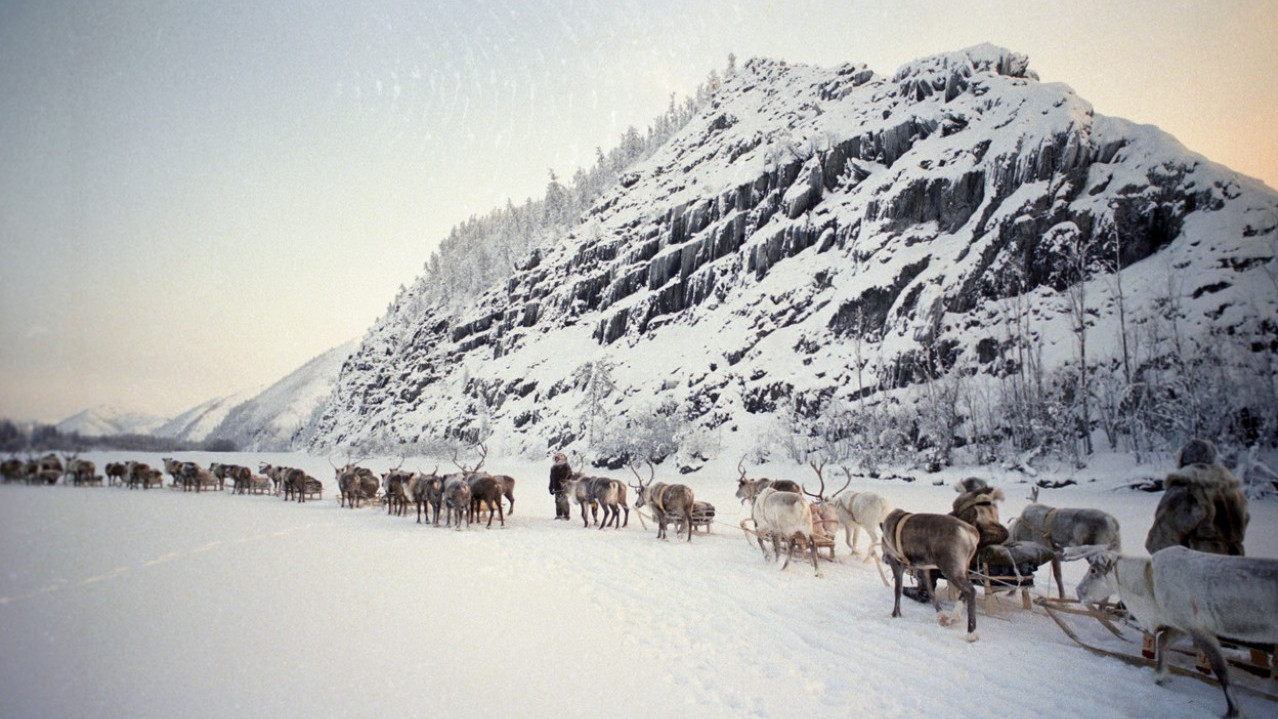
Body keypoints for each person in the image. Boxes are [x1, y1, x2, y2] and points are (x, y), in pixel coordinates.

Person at [1146, 439, 1249, 556]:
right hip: (1233, 567)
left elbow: (1161, 541)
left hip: (1195, 567)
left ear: (1182, 460)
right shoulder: (1234, 492)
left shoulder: (1185, 489)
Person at [548, 453, 573, 520]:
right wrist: (550, 487)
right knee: (557, 501)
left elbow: (569, 476)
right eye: (555, 458)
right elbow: (551, 478)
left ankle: (566, 515)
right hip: (556, 487)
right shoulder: (553, 468)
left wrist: (565, 484)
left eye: (558, 458)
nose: (556, 460)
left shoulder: (566, 466)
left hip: (565, 487)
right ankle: (559, 514)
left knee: (564, 500)